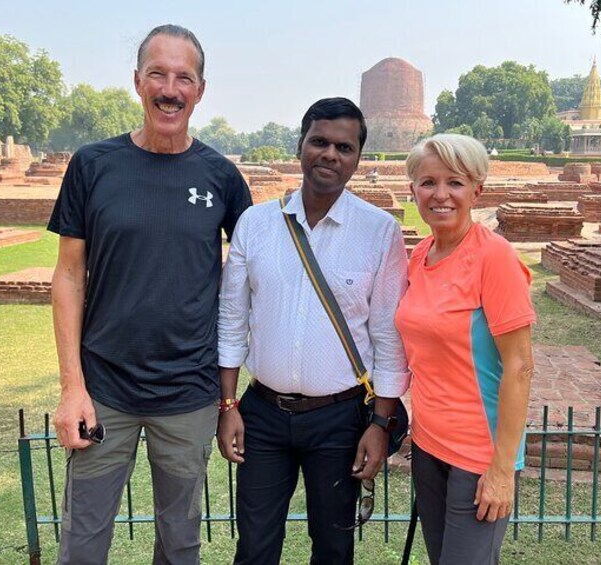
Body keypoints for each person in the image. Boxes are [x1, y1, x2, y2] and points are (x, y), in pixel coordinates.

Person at [47, 24, 252, 565]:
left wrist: (228, 397)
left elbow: (250, 277)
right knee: (84, 543)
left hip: (187, 393)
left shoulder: (221, 177)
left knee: (180, 543)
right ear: (138, 82)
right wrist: (72, 388)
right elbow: (69, 276)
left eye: (183, 77)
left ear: (201, 90)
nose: (170, 89)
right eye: (158, 74)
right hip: (105, 388)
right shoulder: (94, 166)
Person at [216, 97, 409, 565]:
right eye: (319, 141)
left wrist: (380, 425)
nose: (330, 154)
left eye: (344, 147)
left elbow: (387, 337)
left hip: (340, 419)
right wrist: (228, 406)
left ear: (358, 159)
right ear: (300, 145)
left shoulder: (379, 231)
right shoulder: (257, 224)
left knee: (334, 546)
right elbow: (231, 320)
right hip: (262, 413)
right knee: (256, 547)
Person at [394, 134, 536, 565]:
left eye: (455, 182)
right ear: (413, 190)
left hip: (479, 452)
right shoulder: (421, 255)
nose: (440, 195)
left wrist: (501, 469)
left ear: (478, 190)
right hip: (429, 442)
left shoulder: (494, 258)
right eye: (428, 182)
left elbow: (520, 366)